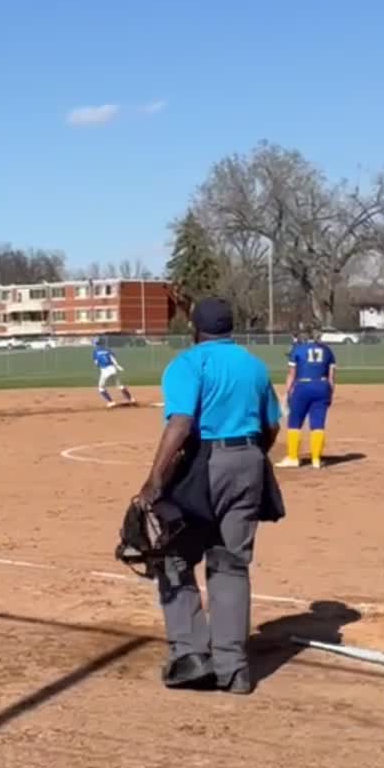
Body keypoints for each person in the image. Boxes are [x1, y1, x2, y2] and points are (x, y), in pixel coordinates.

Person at [136, 298, 283, 696]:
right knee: (231, 564)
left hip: (203, 463)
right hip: (248, 460)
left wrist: (154, 479)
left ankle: (191, 656)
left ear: (195, 329)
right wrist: (250, 458)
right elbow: (272, 425)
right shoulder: (254, 365)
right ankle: (233, 670)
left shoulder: (188, 364)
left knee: (173, 556)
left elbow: (181, 423)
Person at [279, 331, 337, 469]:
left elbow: (291, 375)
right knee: (318, 424)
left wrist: (287, 393)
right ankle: (316, 459)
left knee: (294, 423)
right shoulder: (328, 351)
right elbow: (331, 377)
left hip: (302, 386)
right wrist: (330, 393)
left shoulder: (298, 350)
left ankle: (293, 457)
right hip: (322, 386)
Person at [93, 337, 134, 408]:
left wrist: (100, 363)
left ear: (95, 344)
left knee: (101, 388)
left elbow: (96, 363)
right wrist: (118, 366)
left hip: (105, 371)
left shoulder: (95, 352)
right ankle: (131, 399)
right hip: (113, 369)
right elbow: (113, 358)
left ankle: (111, 402)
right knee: (119, 385)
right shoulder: (108, 350)